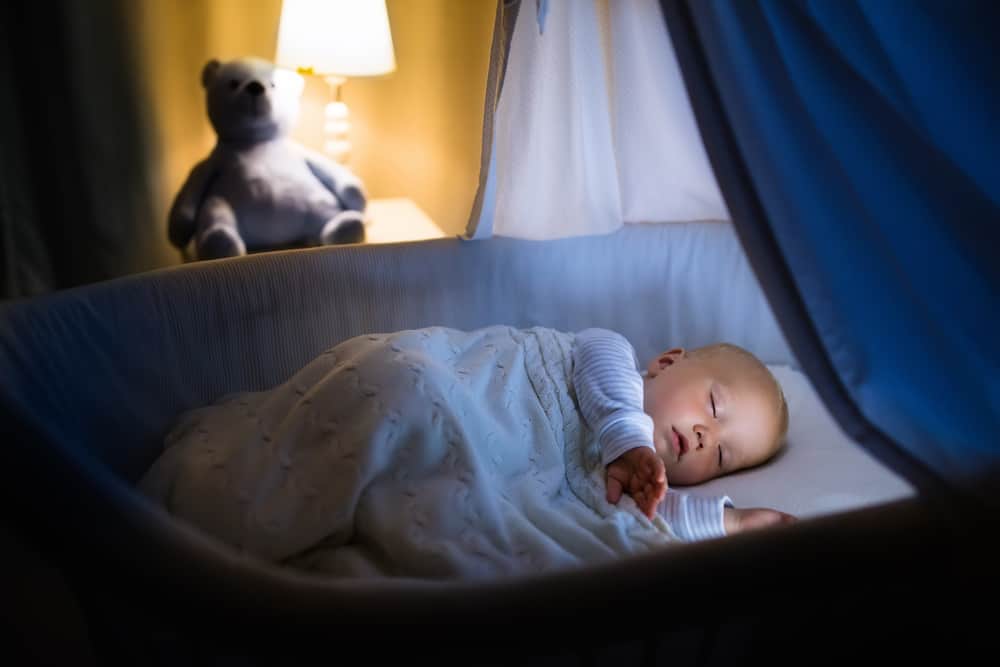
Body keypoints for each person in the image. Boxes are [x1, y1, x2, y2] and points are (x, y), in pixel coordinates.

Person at [572, 327, 796, 541]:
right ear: (666, 363)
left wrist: (736, 522)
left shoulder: (631, 484)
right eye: (714, 406)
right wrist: (627, 436)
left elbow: (657, 519)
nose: (706, 438)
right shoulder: (612, 362)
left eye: (720, 455)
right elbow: (598, 344)